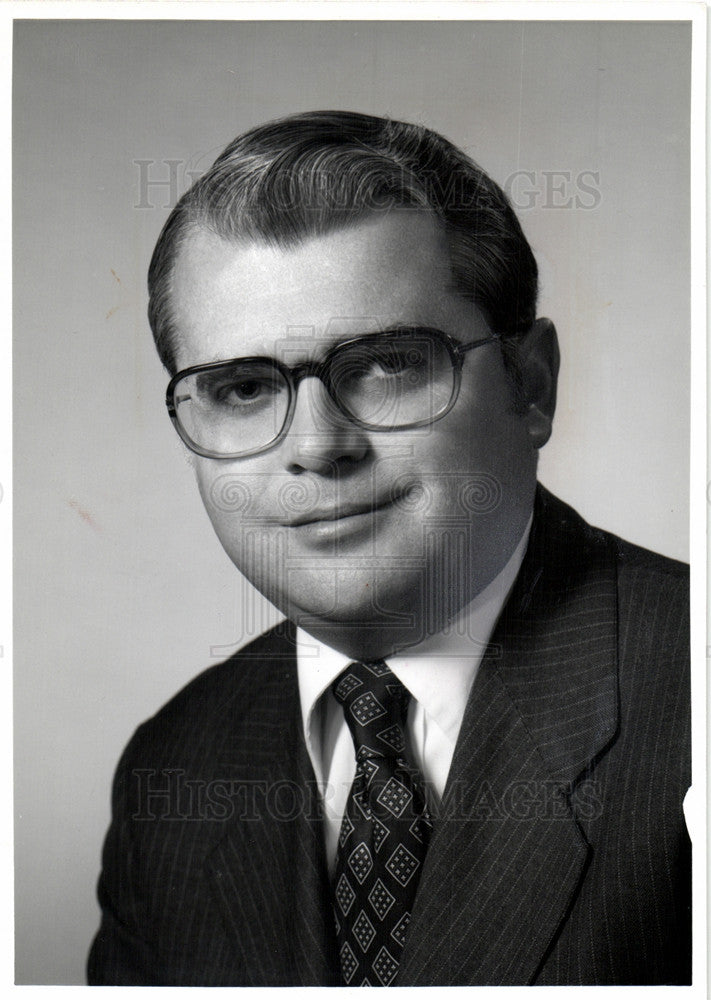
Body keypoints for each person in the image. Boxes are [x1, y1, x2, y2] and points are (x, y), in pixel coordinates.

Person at [87, 110, 691, 986]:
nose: (318, 446)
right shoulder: (177, 762)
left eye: (385, 364)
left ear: (530, 385)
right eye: (244, 387)